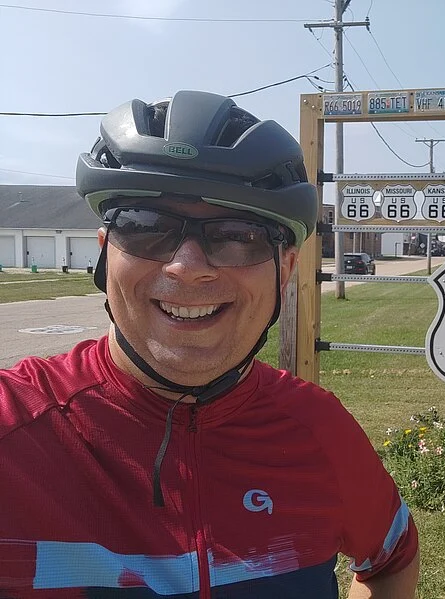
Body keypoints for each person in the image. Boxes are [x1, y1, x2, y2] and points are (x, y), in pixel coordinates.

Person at [0, 91, 419, 598]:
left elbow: (391, 558)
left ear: (284, 270)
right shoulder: (15, 433)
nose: (187, 266)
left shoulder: (318, 431)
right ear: (106, 254)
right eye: (146, 226)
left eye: (237, 234)